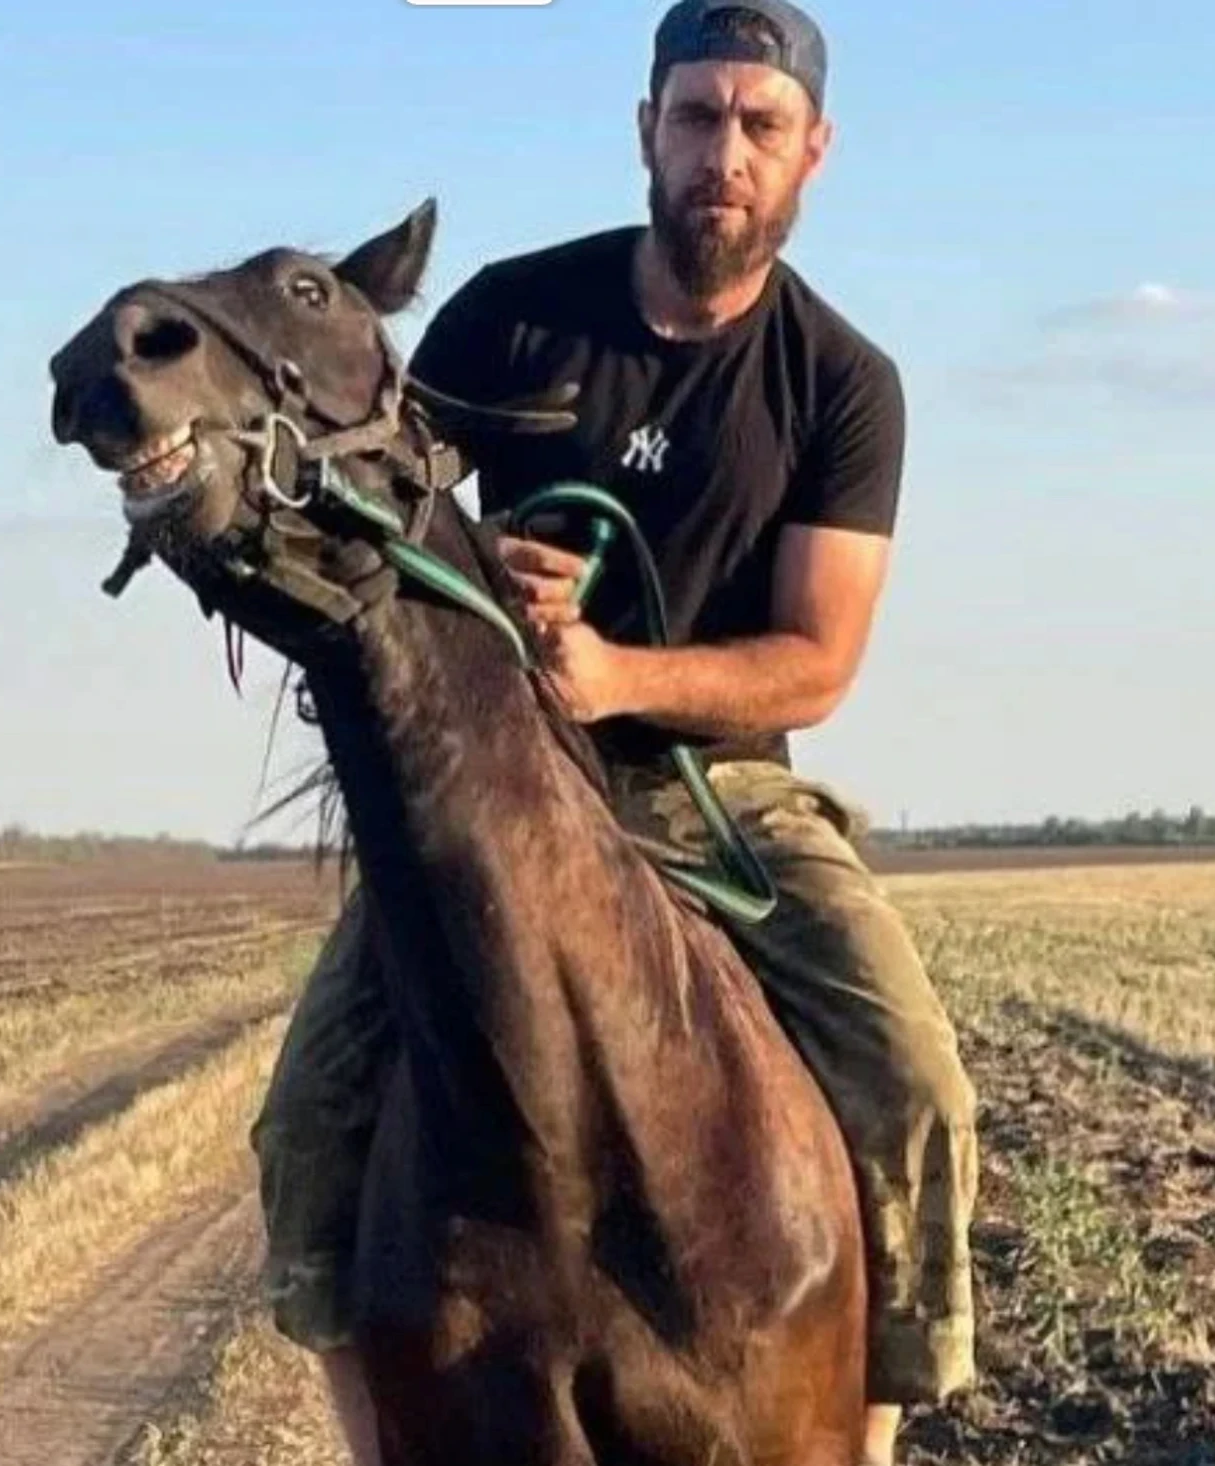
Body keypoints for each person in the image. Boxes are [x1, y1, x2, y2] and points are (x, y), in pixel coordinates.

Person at [249, 3, 978, 1462]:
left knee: (915, 1082)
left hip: (721, 796)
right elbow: (393, 525)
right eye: (697, 116)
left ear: (813, 151)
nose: (726, 152)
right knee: (309, 1114)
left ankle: (874, 1427)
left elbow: (816, 661)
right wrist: (486, 565)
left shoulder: (843, 383)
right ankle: (374, 1436)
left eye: (760, 124)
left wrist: (617, 673)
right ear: (648, 129)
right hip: (507, 791)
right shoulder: (510, 320)